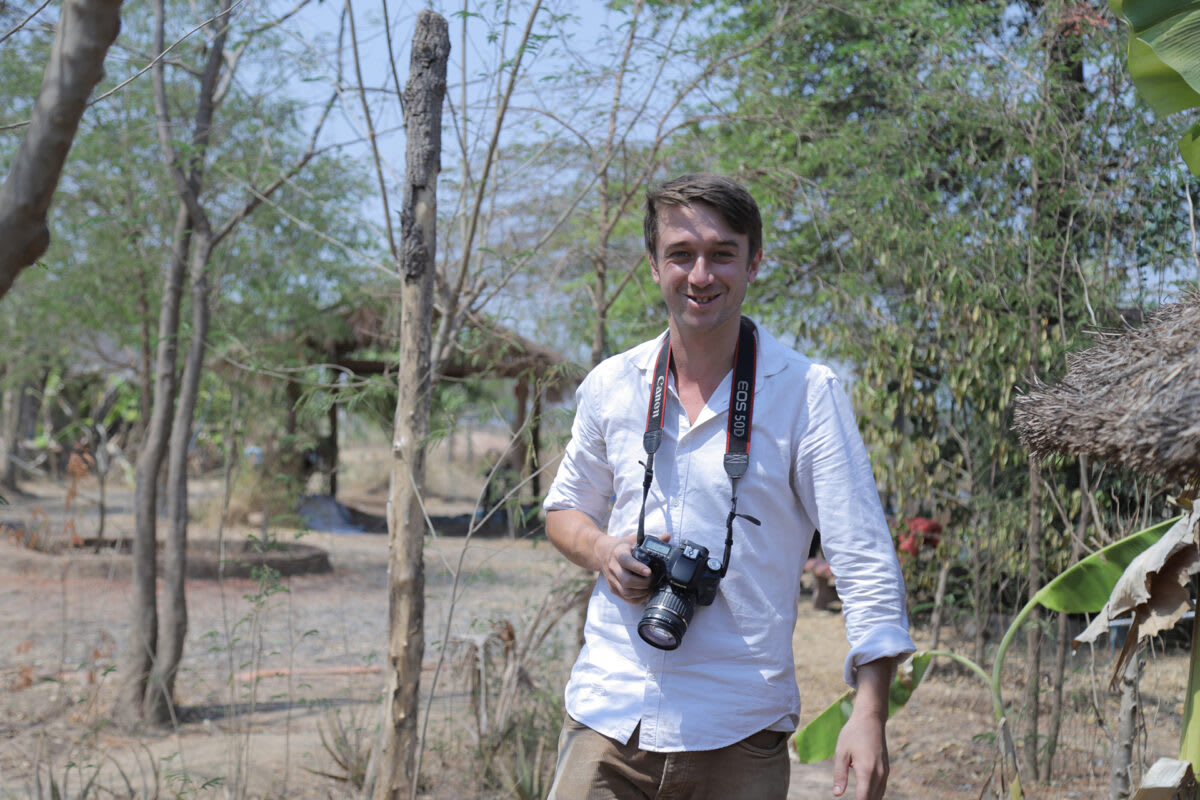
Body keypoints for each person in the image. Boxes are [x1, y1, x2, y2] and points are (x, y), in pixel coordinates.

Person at [542, 173, 914, 800]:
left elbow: (864, 560)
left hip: (738, 729)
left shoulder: (806, 393)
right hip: (608, 718)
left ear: (754, 262)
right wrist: (604, 551)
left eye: (721, 254)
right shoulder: (614, 384)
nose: (700, 274)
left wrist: (869, 713)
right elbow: (563, 510)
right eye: (681, 255)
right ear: (653, 264)